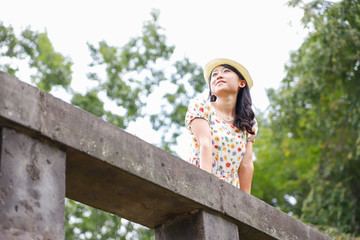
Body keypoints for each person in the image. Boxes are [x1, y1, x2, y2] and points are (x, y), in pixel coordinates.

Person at [185, 58, 258, 194]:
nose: (219, 75)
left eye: (226, 71)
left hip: (230, 193)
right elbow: (205, 144)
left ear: (242, 83)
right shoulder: (201, 106)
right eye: (214, 74)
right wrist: (205, 188)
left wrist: (246, 204)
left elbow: (246, 165)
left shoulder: (248, 123)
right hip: (198, 183)